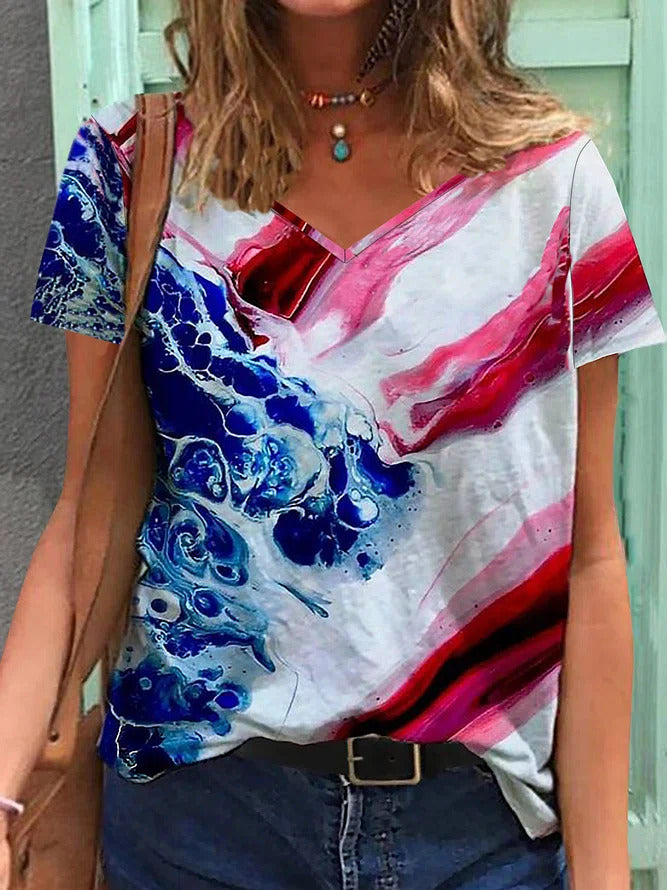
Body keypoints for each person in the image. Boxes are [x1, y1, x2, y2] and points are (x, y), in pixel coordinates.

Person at [2, 0, 666, 888]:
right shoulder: (129, 168)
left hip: (478, 841)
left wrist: (604, 871)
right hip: (198, 832)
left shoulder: (554, 183)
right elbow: (89, 513)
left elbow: (589, 558)